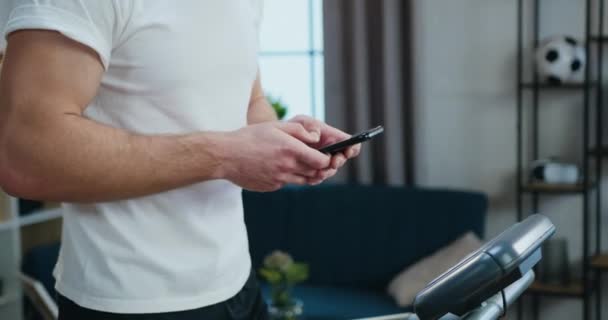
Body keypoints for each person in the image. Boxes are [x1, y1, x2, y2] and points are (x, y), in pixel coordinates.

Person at [0, 1, 360, 319]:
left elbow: (249, 104)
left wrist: (292, 141)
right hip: (129, 302)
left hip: (237, 287)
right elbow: (24, 155)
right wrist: (226, 155)